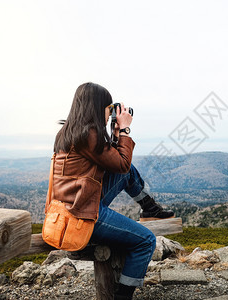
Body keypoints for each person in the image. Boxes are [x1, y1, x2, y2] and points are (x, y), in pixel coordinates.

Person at [52, 82, 174, 300]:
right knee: (146, 241)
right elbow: (122, 163)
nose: (111, 111)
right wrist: (126, 130)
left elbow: (118, 164)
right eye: (109, 107)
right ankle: (123, 296)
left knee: (126, 173)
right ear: (98, 106)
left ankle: (150, 208)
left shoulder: (73, 131)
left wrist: (116, 134)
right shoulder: (87, 134)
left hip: (78, 202)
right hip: (82, 213)